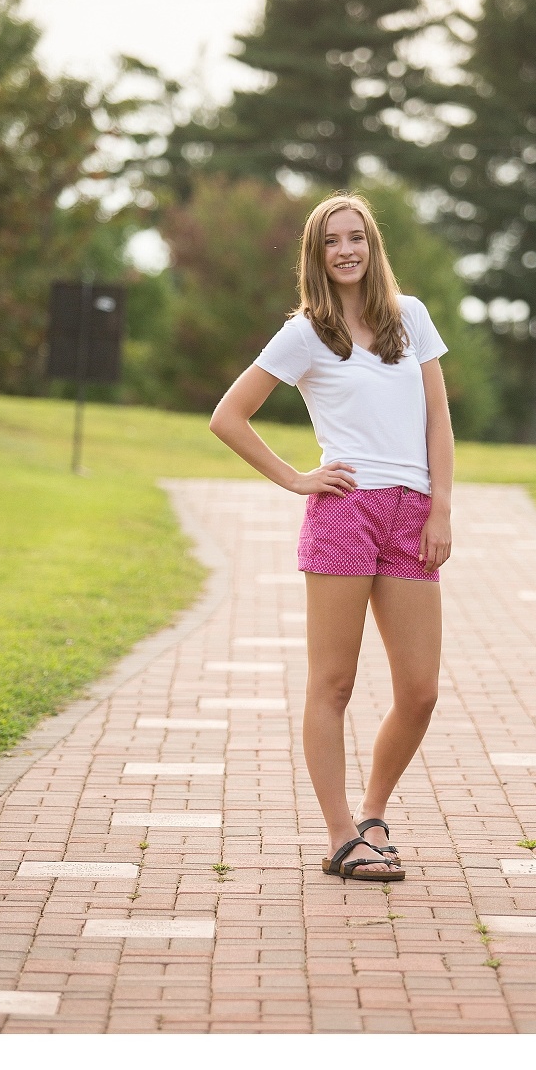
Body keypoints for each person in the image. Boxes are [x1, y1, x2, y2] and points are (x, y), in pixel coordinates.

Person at [209, 193, 453, 881]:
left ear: (373, 246)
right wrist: (295, 478)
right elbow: (229, 416)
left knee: (421, 689)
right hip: (345, 511)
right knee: (334, 682)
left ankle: (374, 810)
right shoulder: (304, 333)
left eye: (357, 238)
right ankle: (342, 833)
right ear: (316, 255)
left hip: (411, 513)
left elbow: (439, 419)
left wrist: (442, 508)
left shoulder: (412, 318)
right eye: (331, 241)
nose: (346, 250)